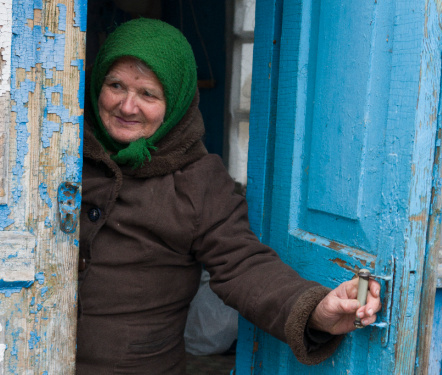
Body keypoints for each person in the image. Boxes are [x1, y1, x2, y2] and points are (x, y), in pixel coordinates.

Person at [77, 18, 381, 374]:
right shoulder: (60, 152)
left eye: (148, 94)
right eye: (116, 85)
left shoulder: (197, 181)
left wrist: (315, 309)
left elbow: (243, 266)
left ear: (174, 101)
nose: (127, 107)